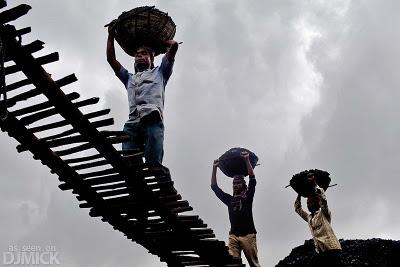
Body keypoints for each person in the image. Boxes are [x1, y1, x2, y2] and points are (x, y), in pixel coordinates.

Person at [106, 25, 178, 166]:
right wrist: (110, 36)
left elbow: (174, 46)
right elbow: (111, 60)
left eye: (144, 53)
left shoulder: (160, 72)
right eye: (137, 55)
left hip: (152, 120)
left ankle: (160, 179)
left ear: (152, 59)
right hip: (132, 124)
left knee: (153, 164)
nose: (139, 56)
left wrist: (160, 43)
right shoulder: (129, 78)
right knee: (130, 163)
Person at [211, 151, 261, 267]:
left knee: (254, 264)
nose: (235, 185)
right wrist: (214, 168)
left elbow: (252, 179)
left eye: (238, 183)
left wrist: (247, 160)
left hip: (248, 236)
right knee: (233, 263)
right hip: (233, 235)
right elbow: (214, 187)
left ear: (244, 184)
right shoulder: (229, 200)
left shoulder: (248, 197)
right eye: (234, 183)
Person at [294, 174, 344, 267]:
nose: (309, 204)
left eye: (311, 201)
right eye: (308, 203)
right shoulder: (309, 218)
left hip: (332, 249)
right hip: (321, 252)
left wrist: (314, 183)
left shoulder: (324, 213)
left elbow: (323, 200)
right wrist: (299, 194)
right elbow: (298, 209)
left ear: (317, 202)